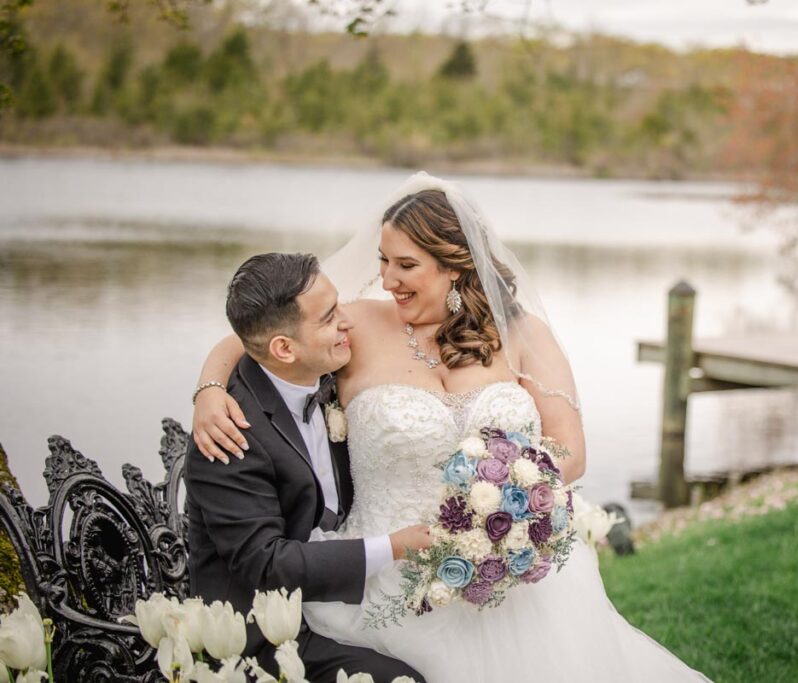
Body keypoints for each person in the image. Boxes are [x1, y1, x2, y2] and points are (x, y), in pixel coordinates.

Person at [192, 174, 712, 682]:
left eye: (406, 265)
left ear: (455, 267)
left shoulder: (523, 334)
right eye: (382, 261)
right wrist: (210, 390)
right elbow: (255, 338)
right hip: (386, 574)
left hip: (509, 562)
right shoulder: (361, 324)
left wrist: (508, 498)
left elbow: (571, 452)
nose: (388, 278)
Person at [185, 252, 428, 683]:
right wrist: (392, 547)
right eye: (331, 317)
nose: (349, 323)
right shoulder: (229, 433)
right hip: (267, 634)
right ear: (284, 348)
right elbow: (266, 565)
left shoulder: (325, 369)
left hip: (333, 595)